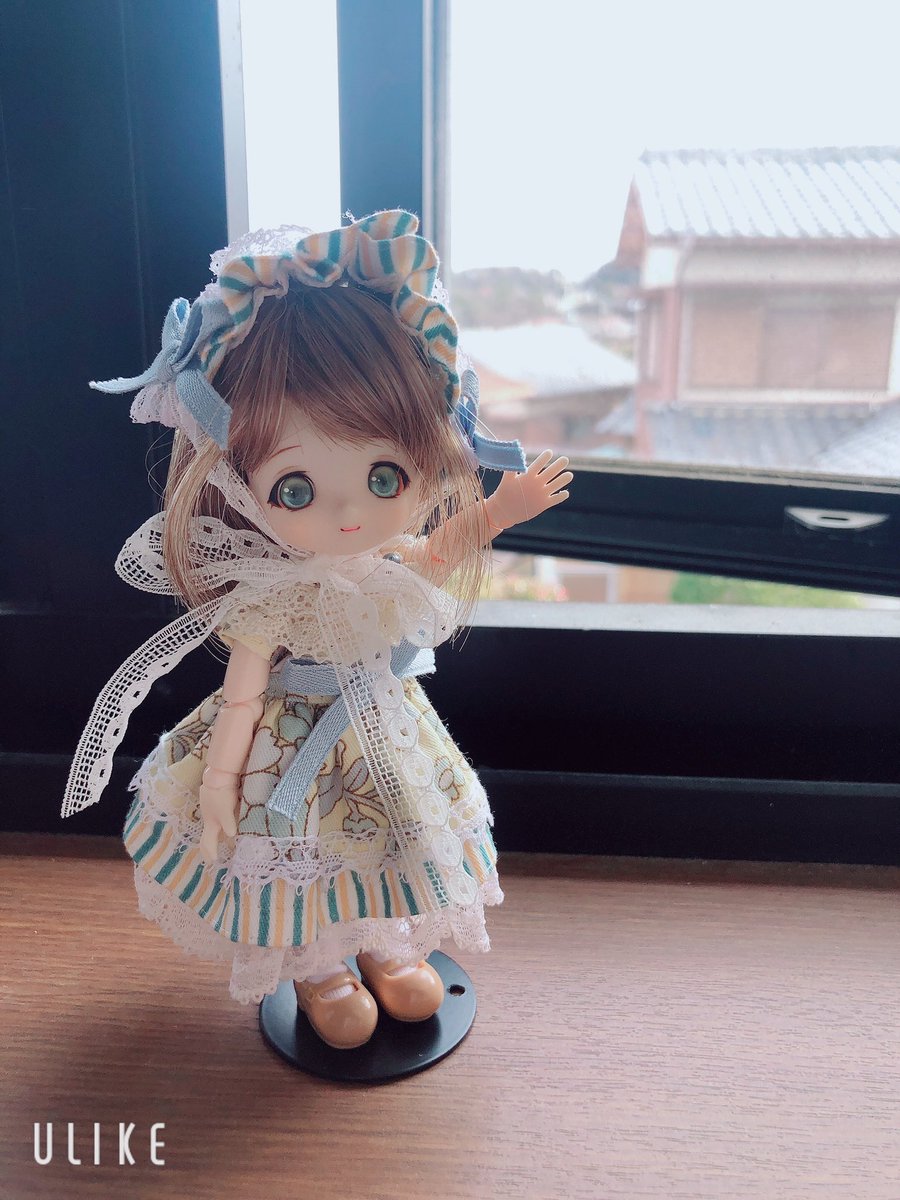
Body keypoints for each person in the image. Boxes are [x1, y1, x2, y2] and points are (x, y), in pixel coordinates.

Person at [62, 210, 571, 1050]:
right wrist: (220, 786)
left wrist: (499, 511)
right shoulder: (275, 595)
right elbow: (241, 696)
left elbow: (438, 552)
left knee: (393, 844)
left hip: (384, 731)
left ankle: (384, 946)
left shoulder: (388, 563)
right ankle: (318, 967)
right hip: (285, 750)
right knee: (300, 856)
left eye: (385, 476)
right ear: (236, 480)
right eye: (294, 489)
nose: (348, 515)